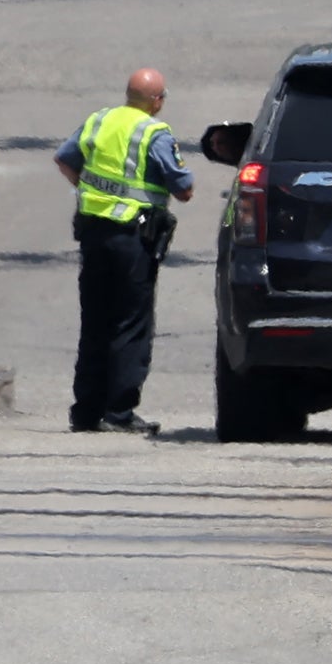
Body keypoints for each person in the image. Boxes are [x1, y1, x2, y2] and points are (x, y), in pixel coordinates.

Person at [64, 69, 198, 435]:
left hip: (93, 234)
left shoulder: (100, 120)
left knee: (95, 320)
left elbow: (65, 159)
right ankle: (118, 412)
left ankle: (86, 411)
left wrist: (90, 190)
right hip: (132, 238)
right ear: (156, 101)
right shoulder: (155, 133)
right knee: (130, 323)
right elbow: (184, 189)